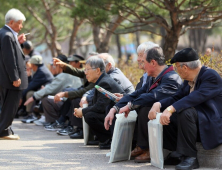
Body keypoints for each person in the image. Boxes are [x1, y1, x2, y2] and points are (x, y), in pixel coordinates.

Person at [105, 46, 182, 162]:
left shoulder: (171, 78)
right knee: (141, 106)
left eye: (143, 62)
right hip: (159, 119)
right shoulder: (153, 78)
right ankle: (141, 146)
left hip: (173, 123)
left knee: (146, 107)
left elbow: (153, 96)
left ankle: (147, 148)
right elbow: (136, 94)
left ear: (153, 62)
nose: (142, 66)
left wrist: (130, 106)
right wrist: (115, 108)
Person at [149, 48, 222, 170]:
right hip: (195, 122)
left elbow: (195, 97)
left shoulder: (210, 76)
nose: (176, 70)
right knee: (167, 115)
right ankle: (177, 153)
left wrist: (171, 108)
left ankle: (191, 157)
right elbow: (177, 97)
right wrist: (159, 105)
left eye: (177, 67)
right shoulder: (188, 81)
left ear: (185, 68)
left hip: (210, 123)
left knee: (185, 112)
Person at [74, 56, 125, 149]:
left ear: (97, 70)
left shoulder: (104, 82)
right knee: (89, 113)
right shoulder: (101, 80)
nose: (85, 73)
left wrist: (83, 111)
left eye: (87, 70)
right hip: (111, 114)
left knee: (89, 116)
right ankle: (104, 139)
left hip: (118, 116)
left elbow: (100, 107)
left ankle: (109, 139)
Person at [24, 54, 82, 125]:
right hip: (70, 101)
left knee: (46, 99)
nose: (53, 67)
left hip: (68, 102)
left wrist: (33, 97)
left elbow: (49, 89)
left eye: (54, 65)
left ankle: (53, 121)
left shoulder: (63, 75)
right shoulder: (67, 73)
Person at [0, 8, 28, 140]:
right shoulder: (7, 35)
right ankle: (4, 131)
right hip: (10, 79)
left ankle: (5, 129)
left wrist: (18, 41)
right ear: (11, 22)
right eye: (19, 23)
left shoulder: (5, 33)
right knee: (10, 105)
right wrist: (15, 77)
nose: (21, 26)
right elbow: (9, 59)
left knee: (7, 105)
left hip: (6, 78)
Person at [21, 55, 54, 123]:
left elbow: (30, 86)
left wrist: (20, 97)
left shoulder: (41, 72)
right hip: (44, 90)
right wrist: (29, 76)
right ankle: (29, 113)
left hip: (48, 91)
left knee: (30, 93)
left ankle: (31, 114)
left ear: (33, 65)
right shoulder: (41, 69)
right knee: (30, 92)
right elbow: (32, 84)